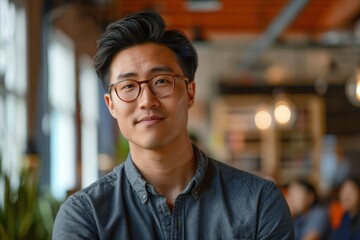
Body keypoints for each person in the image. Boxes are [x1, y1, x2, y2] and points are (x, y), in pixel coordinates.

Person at [53, 11, 294, 239]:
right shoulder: (86, 215)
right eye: (128, 86)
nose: (147, 100)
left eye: (161, 81)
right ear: (111, 105)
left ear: (190, 93)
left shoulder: (258, 202)